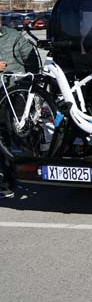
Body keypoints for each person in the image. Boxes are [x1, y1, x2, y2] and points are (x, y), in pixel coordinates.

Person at [0, 22, 40, 197]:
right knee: (3, 137)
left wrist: (29, 86)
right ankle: (7, 182)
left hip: (15, 92)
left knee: (21, 134)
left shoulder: (14, 36)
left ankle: (33, 173)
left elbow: (31, 60)